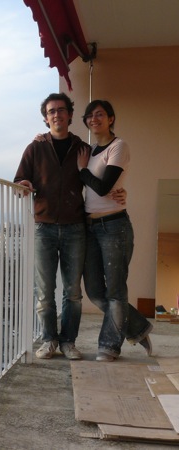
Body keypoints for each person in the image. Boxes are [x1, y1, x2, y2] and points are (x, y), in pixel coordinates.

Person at [77, 99, 153, 362]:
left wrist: (82, 170)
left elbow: (102, 187)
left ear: (111, 119)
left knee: (115, 290)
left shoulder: (118, 146)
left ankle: (109, 346)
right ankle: (138, 327)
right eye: (90, 116)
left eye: (100, 114)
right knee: (95, 291)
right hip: (90, 227)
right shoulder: (89, 151)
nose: (94, 119)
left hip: (114, 226)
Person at [14, 93, 88, 360]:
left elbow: (96, 180)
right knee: (44, 292)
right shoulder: (35, 148)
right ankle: (49, 341)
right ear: (46, 118)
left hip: (75, 227)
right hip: (43, 227)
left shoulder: (82, 148)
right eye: (51, 111)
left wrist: (117, 191)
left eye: (61, 110)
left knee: (73, 292)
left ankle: (68, 342)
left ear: (70, 114)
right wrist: (23, 185)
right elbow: (19, 180)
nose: (56, 114)